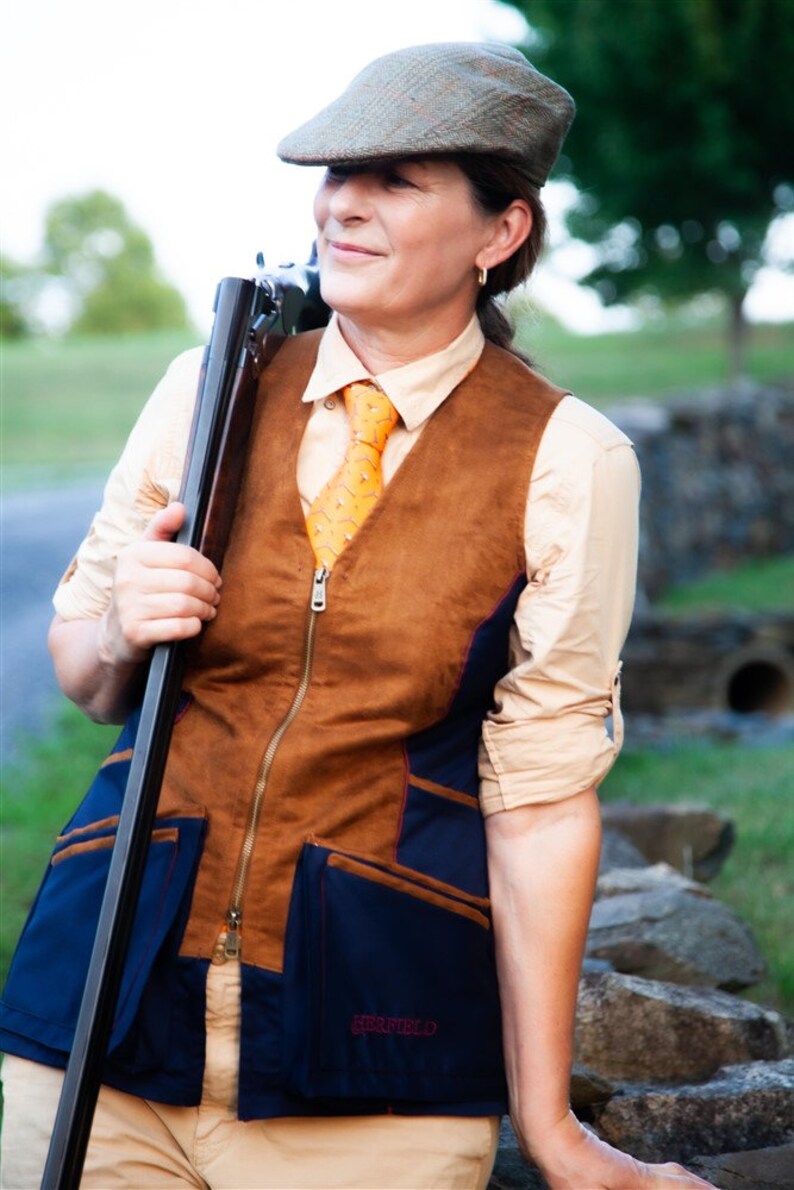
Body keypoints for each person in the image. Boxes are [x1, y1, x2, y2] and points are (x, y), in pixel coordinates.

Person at [0, 42, 717, 1190]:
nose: (343, 203)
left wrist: (551, 1129)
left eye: (395, 181)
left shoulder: (570, 460)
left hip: (376, 1058)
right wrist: (124, 625)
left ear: (499, 234)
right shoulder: (205, 388)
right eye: (336, 174)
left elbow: (537, 803)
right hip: (102, 1018)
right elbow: (84, 677)